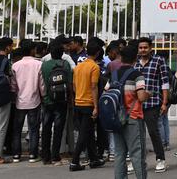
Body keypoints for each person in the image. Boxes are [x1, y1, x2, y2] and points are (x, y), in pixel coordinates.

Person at [110, 44, 150, 179]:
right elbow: (141, 97)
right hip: (133, 118)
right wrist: (149, 94)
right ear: (135, 59)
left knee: (119, 155)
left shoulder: (114, 75)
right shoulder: (137, 75)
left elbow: (106, 93)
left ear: (121, 58)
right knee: (137, 154)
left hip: (116, 119)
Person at [135, 37, 170, 173]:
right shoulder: (135, 62)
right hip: (137, 103)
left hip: (153, 103)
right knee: (137, 134)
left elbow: (165, 82)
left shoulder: (158, 60)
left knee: (153, 132)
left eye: (145, 47)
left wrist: (164, 103)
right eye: (140, 48)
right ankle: (138, 161)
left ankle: (160, 159)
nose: (143, 50)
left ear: (150, 48)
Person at [70, 42, 105, 171]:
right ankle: (74, 161)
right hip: (88, 103)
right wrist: (96, 106)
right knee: (84, 134)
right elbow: (94, 87)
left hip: (78, 102)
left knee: (88, 132)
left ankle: (94, 159)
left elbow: (74, 86)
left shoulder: (78, 67)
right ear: (97, 53)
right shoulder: (95, 67)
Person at [40, 41, 73, 165]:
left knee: (46, 128)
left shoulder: (44, 65)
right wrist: (70, 99)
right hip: (62, 100)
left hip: (48, 100)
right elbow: (69, 84)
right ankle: (55, 156)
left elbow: (42, 83)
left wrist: (44, 97)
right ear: (62, 53)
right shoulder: (65, 64)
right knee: (58, 129)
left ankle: (45, 156)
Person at [11, 40, 42, 162]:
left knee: (17, 129)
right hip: (34, 100)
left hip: (20, 101)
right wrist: (43, 95)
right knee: (33, 128)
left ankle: (16, 154)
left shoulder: (15, 65)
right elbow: (42, 84)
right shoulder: (38, 64)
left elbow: (13, 85)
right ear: (32, 50)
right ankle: (33, 154)